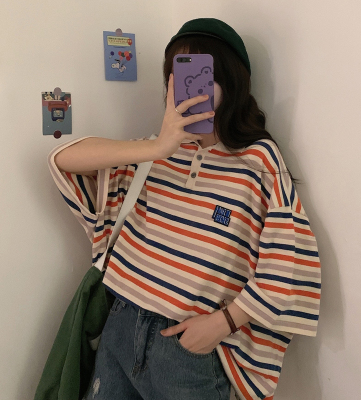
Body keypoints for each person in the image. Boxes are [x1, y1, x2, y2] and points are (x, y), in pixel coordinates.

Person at [48, 18, 321, 400]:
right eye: (178, 74)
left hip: (188, 353)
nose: (188, 87)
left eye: (202, 74)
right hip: (120, 328)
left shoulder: (258, 161)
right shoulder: (153, 154)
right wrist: (158, 147)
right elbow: (63, 160)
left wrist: (224, 323)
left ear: (231, 82)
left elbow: (291, 262)